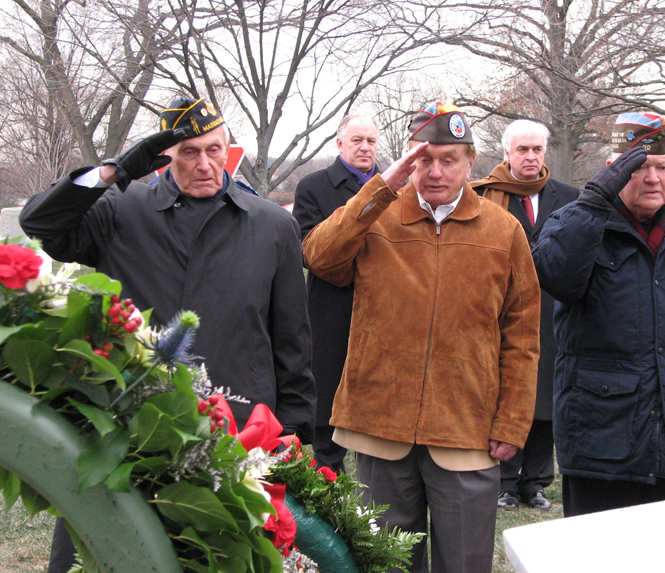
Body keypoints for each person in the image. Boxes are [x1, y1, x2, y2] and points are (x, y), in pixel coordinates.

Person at [20, 96, 316, 572]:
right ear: (165, 158)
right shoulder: (118, 211)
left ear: (228, 149)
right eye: (189, 153)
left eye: (214, 150)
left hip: (235, 440)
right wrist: (113, 172)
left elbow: (292, 347)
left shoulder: (273, 225)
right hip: (127, 435)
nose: (205, 165)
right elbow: (39, 223)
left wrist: (298, 443)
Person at [303, 102, 540, 573]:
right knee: (387, 563)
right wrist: (380, 190)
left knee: (465, 564)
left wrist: (512, 421)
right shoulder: (377, 217)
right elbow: (320, 258)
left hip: (466, 429)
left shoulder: (503, 230)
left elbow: (522, 332)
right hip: (381, 425)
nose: (434, 171)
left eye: (448, 159)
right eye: (422, 159)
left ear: (470, 162)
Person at [533, 112, 665, 517]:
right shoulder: (579, 222)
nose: (653, 179)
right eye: (639, 168)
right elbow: (555, 276)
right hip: (600, 441)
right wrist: (594, 202)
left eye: (662, 168)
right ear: (615, 170)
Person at [472, 119, 579, 512]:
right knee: (508, 392)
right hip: (503, 309)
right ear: (506, 153)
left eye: (536, 149)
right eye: (522, 150)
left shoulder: (570, 197)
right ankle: (505, 481)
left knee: (545, 400)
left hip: (553, 311)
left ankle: (536, 483)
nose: (530, 157)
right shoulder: (484, 197)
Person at [293, 113, 380, 473]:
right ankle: (329, 478)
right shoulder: (314, 187)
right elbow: (309, 252)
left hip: (383, 313)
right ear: (340, 144)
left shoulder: (402, 187)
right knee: (328, 407)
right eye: (357, 140)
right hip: (332, 310)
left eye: (371, 141)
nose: (365, 147)